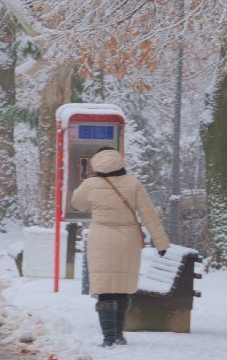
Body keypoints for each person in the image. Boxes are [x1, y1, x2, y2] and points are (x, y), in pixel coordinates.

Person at [70, 148, 169, 347]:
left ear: (96, 162)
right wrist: (161, 242)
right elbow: (149, 214)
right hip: (128, 239)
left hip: (101, 238)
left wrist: (87, 186)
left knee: (105, 288)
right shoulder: (133, 183)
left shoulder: (91, 184)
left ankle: (108, 338)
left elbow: (77, 204)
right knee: (122, 286)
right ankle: (119, 335)